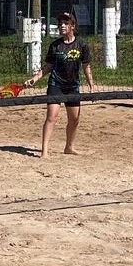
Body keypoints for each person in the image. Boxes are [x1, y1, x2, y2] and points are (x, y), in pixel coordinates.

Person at [25, 12, 95, 158]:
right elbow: (47, 67)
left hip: (72, 86)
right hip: (56, 84)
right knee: (52, 117)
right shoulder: (55, 46)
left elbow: (86, 66)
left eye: (66, 23)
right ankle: (44, 151)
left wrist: (91, 84)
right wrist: (34, 79)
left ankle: (69, 147)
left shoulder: (81, 45)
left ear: (73, 26)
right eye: (60, 23)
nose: (62, 26)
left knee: (74, 119)